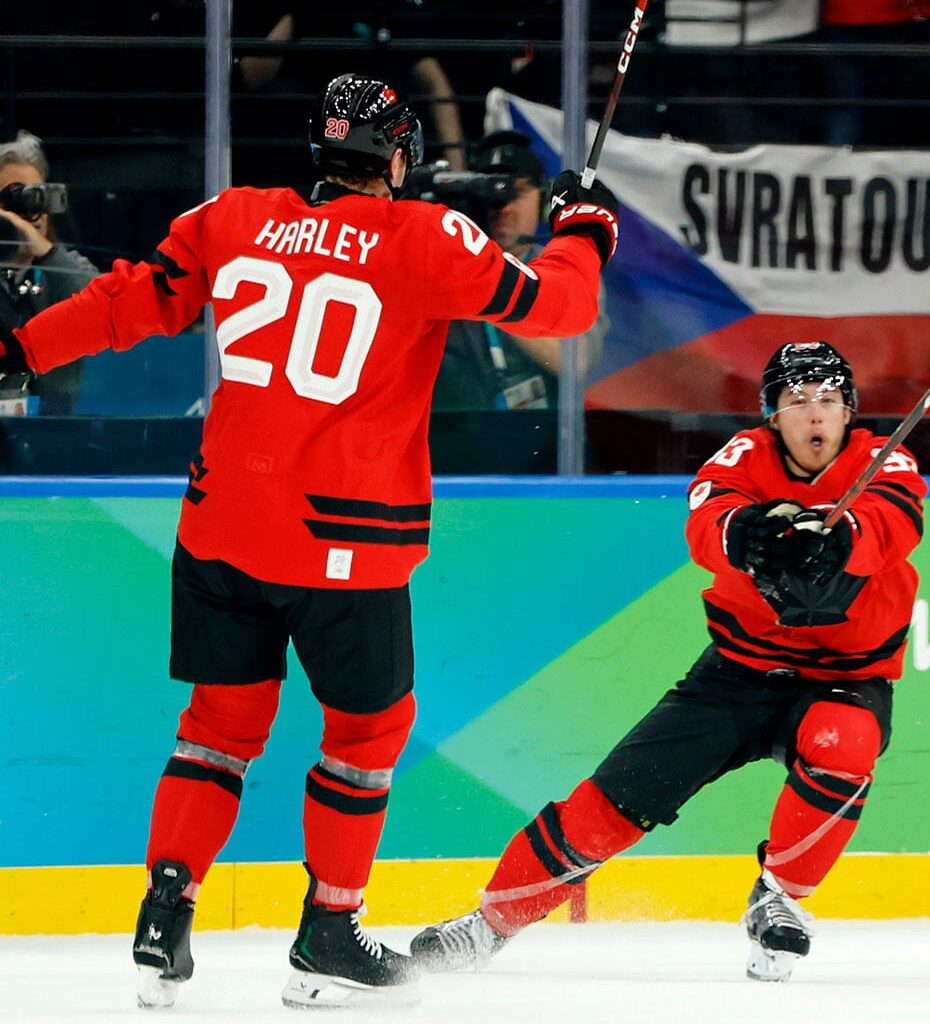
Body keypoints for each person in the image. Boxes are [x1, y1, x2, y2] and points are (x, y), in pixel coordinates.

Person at [0, 74, 617, 1009]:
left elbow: (129, 302)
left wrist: (20, 349)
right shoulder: (424, 237)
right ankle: (328, 931)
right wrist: (583, 228)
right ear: (399, 158)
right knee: (366, 736)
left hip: (221, 528)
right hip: (346, 543)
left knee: (217, 729)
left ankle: (166, 909)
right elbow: (560, 310)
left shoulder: (234, 216)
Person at [409, 341, 927, 983]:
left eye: (828, 400)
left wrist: (844, 539)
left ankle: (780, 898)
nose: (814, 415)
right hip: (737, 674)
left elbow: (894, 524)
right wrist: (742, 532)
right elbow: (707, 520)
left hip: (844, 680)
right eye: (797, 400)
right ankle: (488, 926)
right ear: (772, 414)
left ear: (850, 411)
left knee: (843, 743)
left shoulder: (886, 462)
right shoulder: (742, 458)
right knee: (608, 809)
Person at [434, 130, 608, 411]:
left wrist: (491, 286)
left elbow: (576, 361)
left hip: (549, 444)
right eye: (493, 191)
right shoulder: (450, 270)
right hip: (463, 439)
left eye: (517, 191)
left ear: (544, 201)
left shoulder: (566, 270)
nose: (504, 206)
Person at [0, 132, 98, 414]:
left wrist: (46, 252)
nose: (32, 209)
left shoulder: (62, 265)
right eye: (18, 198)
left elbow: (104, 304)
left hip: (56, 433)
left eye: (38, 197)